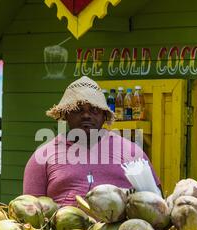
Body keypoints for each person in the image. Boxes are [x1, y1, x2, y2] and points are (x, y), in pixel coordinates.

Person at [23, 76, 161, 206]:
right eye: (78, 109)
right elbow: (30, 211)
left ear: (104, 115)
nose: (86, 115)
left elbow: (156, 205)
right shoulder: (43, 157)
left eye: (94, 110)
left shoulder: (131, 152)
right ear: (66, 114)